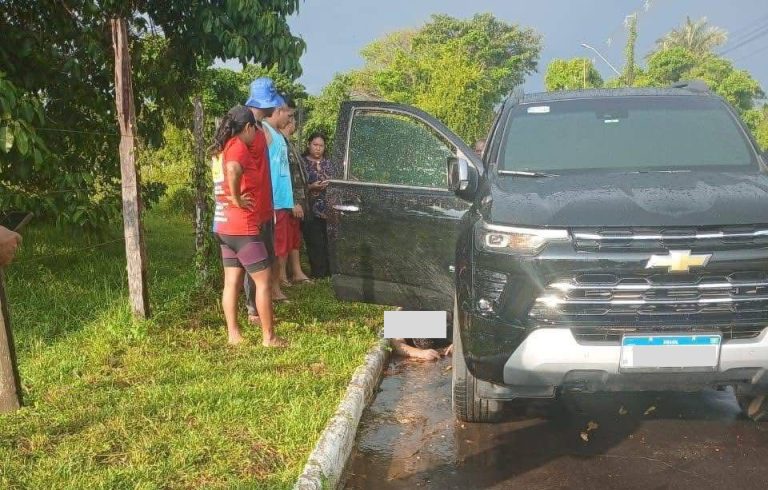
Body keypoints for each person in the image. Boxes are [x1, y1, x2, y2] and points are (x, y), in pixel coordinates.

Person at [211, 104, 285, 347]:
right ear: (247, 127)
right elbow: (233, 169)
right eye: (254, 128)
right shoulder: (238, 147)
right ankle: (269, 337)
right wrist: (237, 197)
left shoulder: (221, 148)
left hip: (224, 226)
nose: (256, 133)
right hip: (243, 227)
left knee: (231, 282)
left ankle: (233, 334)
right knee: (263, 282)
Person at [242, 77, 286, 323]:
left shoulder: (260, 129)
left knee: (267, 258)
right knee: (253, 262)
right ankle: (253, 310)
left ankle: (261, 306)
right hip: (251, 206)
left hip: (266, 204)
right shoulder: (243, 126)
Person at [261, 92, 304, 300]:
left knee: (283, 246)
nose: (290, 119)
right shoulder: (264, 131)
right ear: (279, 109)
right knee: (276, 249)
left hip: (284, 201)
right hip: (274, 201)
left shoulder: (279, 135)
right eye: (288, 113)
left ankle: (278, 285)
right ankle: (273, 289)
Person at [279, 116, 312, 285]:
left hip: (297, 198)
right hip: (289, 201)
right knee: (284, 239)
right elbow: (285, 176)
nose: (295, 124)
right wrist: (293, 201)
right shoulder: (280, 144)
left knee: (294, 238)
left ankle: (296, 271)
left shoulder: (289, 143)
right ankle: (281, 276)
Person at [301, 132, 333, 278]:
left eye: (321, 145)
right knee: (314, 241)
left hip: (329, 209)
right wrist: (311, 187)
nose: (318, 148)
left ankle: (329, 271)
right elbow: (296, 186)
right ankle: (318, 273)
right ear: (309, 144)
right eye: (315, 145)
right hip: (310, 208)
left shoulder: (330, 163)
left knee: (328, 240)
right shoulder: (302, 163)